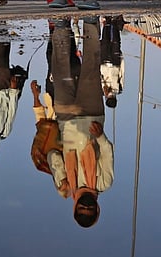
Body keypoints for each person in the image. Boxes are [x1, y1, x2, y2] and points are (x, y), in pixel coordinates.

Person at [46, 20, 114, 227]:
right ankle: (91, 25)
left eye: (81, 208)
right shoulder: (104, 183)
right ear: (97, 208)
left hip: (66, 119)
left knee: (60, 68)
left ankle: (60, 25)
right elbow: (107, 152)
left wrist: (60, 179)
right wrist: (100, 136)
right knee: (91, 68)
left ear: (75, 207)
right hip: (91, 116)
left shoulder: (67, 188)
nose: (85, 205)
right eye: (90, 208)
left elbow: (53, 155)